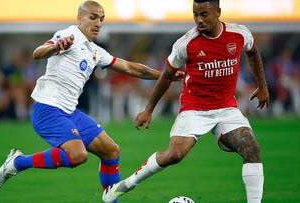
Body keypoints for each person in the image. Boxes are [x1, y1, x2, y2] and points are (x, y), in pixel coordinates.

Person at [0, 1, 182, 202]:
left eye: (101, 19)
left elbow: (130, 68)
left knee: (111, 151)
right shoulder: (68, 36)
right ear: (79, 18)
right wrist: (56, 47)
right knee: (78, 155)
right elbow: (38, 53)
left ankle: (112, 200)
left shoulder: (95, 51)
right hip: (47, 109)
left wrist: (166, 75)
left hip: (68, 112)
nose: (98, 23)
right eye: (93, 17)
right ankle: (18, 162)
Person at [103, 0, 269, 203]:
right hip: (194, 109)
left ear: (218, 12)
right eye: (195, 14)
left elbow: (253, 52)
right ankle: (125, 185)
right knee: (175, 154)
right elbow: (166, 75)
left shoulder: (239, 34)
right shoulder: (186, 44)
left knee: (251, 148)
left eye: (204, 14)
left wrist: (262, 85)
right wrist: (148, 109)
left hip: (226, 108)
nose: (198, 20)